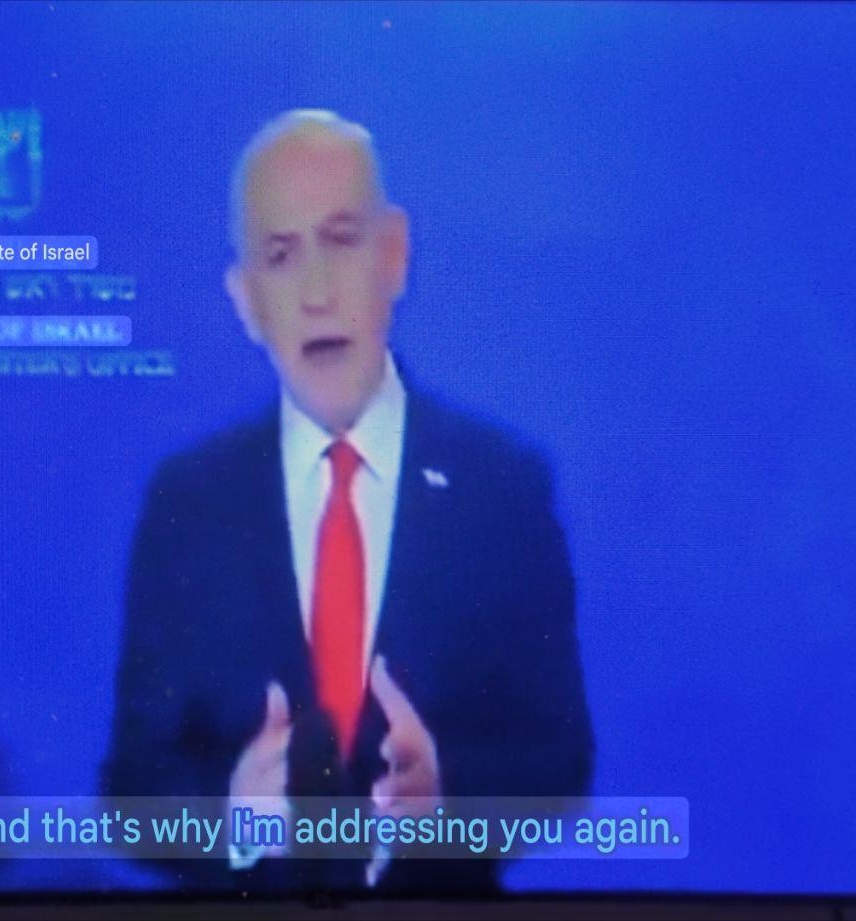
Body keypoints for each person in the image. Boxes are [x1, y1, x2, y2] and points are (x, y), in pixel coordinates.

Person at [102, 109, 593, 893]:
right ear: (246, 299)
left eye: (340, 241)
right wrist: (229, 816)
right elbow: (130, 787)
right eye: (281, 256)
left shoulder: (502, 487)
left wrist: (449, 799)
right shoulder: (188, 504)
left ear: (394, 254)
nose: (317, 293)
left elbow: (560, 759)